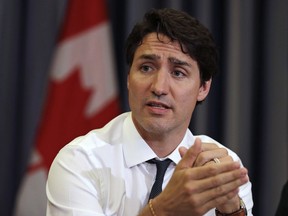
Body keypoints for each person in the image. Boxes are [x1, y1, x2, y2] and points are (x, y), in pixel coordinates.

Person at [46, 8, 253, 216]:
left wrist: (232, 211)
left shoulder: (221, 167)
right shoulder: (80, 161)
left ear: (203, 88)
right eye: (146, 68)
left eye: (178, 73)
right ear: (129, 78)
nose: (159, 87)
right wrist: (164, 209)